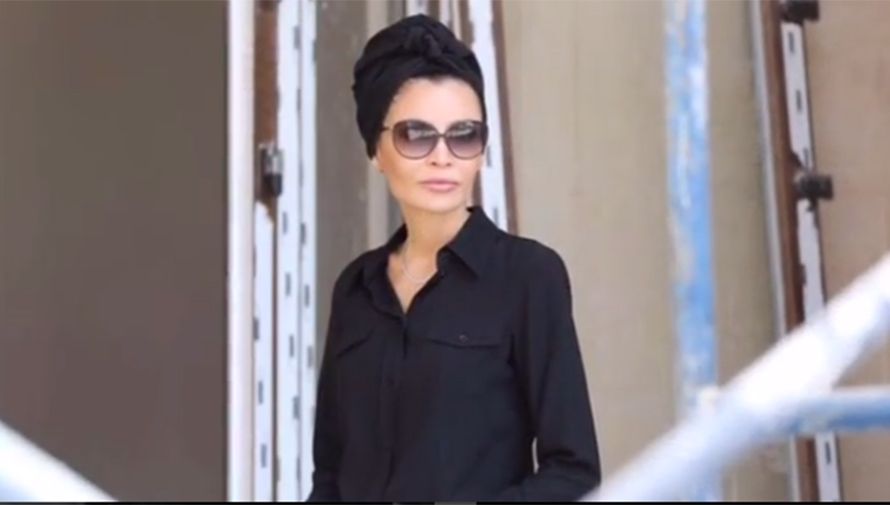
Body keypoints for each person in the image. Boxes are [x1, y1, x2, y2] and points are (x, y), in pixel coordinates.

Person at [308, 13, 600, 502]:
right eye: (416, 135)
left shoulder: (527, 277)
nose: (442, 157)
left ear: (481, 150)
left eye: (463, 135)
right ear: (375, 150)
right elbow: (330, 476)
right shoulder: (356, 289)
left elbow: (573, 472)